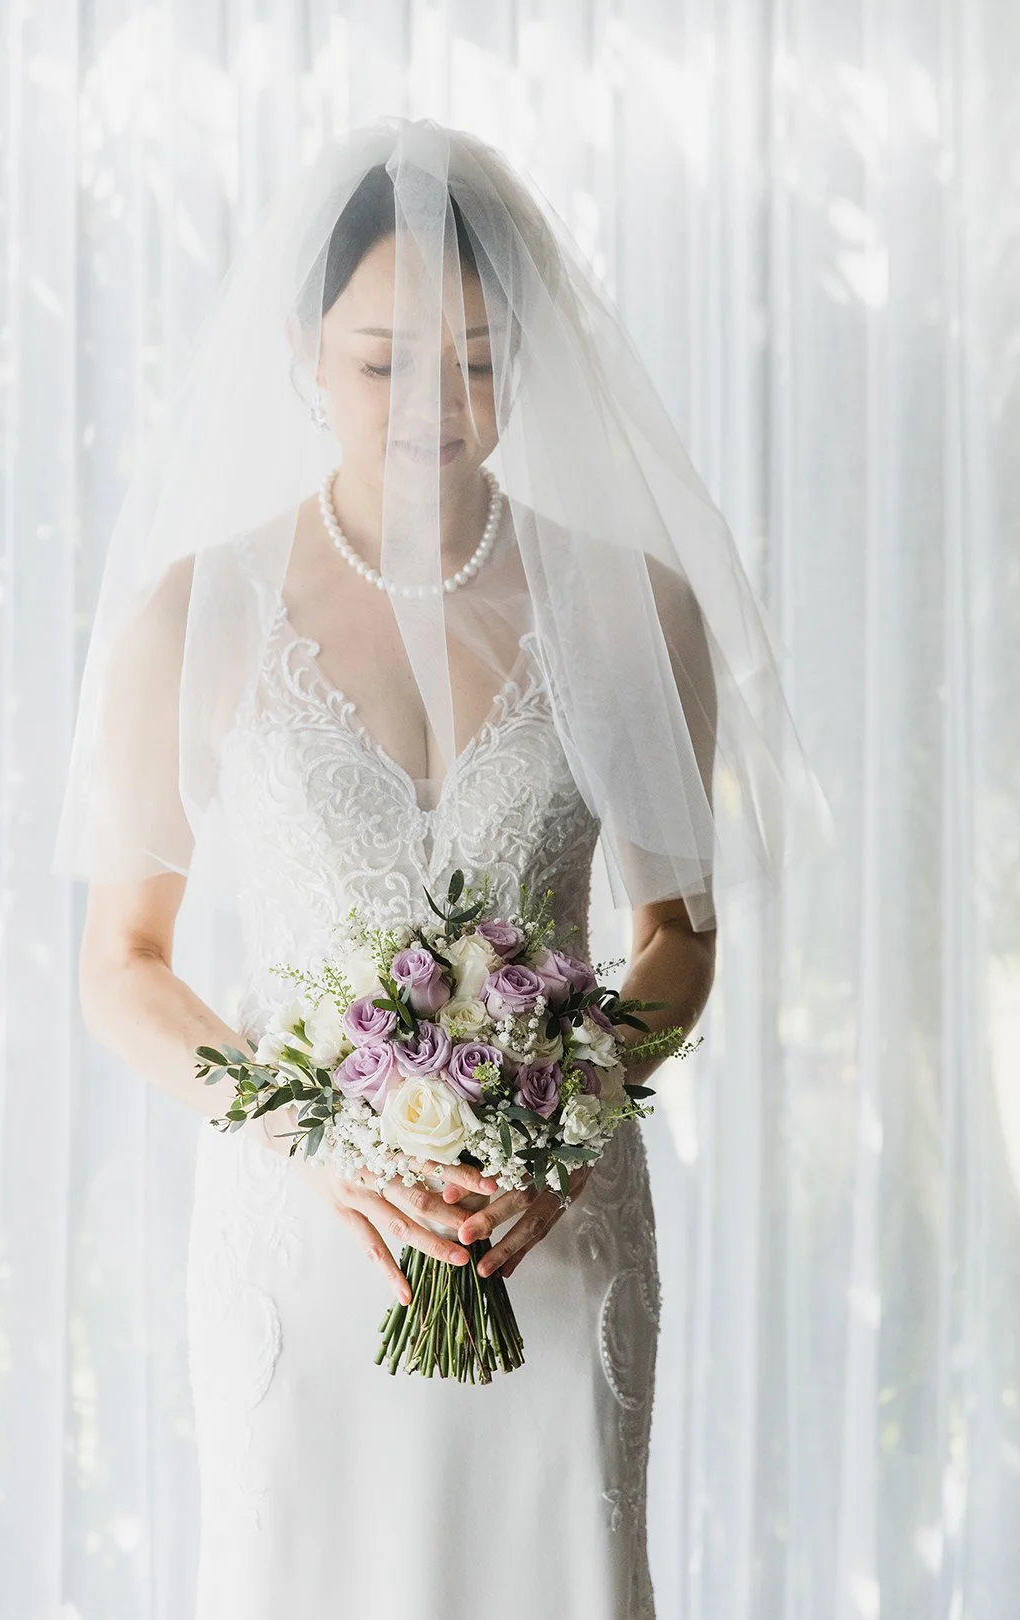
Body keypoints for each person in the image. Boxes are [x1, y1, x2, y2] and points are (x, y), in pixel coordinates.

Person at [55, 115, 823, 1620]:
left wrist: (569, 1118)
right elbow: (122, 968)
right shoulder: (190, 617)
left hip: (553, 1228)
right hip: (305, 1241)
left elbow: (678, 933)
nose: (433, 404)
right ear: (304, 349)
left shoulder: (633, 612)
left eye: (476, 356)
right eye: (383, 358)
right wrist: (319, 1139)